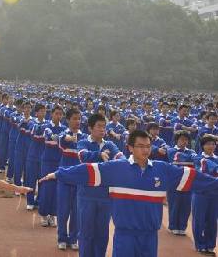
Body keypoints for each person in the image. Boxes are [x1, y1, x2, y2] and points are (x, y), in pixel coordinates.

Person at [39, 130, 218, 257]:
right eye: (140, 146)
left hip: (150, 237)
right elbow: (87, 170)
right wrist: (57, 173)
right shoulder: (117, 168)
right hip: (125, 237)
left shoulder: (162, 170)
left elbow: (195, 178)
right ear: (130, 148)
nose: (145, 150)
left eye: (148, 146)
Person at [76, 113, 125, 257]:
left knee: (102, 233)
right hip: (87, 194)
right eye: (99, 126)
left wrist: (129, 161)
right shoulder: (83, 142)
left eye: (104, 126)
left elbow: (119, 157)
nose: (102, 129)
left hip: (105, 195)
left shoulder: (110, 144)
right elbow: (82, 155)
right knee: (86, 232)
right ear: (90, 128)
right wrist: (99, 155)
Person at [56, 108, 87, 250]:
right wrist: (69, 138)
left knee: (77, 210)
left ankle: (74, 238)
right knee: (63, 210)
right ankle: (62, 238)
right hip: (64, 177)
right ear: (67, 120)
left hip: (79, 179)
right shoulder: (63, 134)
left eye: (79, 118)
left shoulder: (85, 137)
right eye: (74, 118)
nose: (77, 121)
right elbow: (62, 140)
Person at [191, 135, 218, 255]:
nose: (211, 146)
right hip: (200, 193)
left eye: (213, 144)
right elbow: (202, 173)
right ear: (203, 145)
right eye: (208, 144)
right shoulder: (198, 158)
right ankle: (200, 244)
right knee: (199, 220)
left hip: (215, 194)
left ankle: (210, 244)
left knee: (212, 220)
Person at [167, 130, 197, 235]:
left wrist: (188, 162)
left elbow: (196, 161)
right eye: (182, 139)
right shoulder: (171, 150)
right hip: (175, 181)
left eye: (186, 140)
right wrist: (190, 162)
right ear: (177, 140)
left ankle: (182, 227)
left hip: (188, 180)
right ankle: (173, 225)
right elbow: (177, 161)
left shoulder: (191, 152)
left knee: (186, 205)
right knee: (174, 204)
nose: (184, 141)